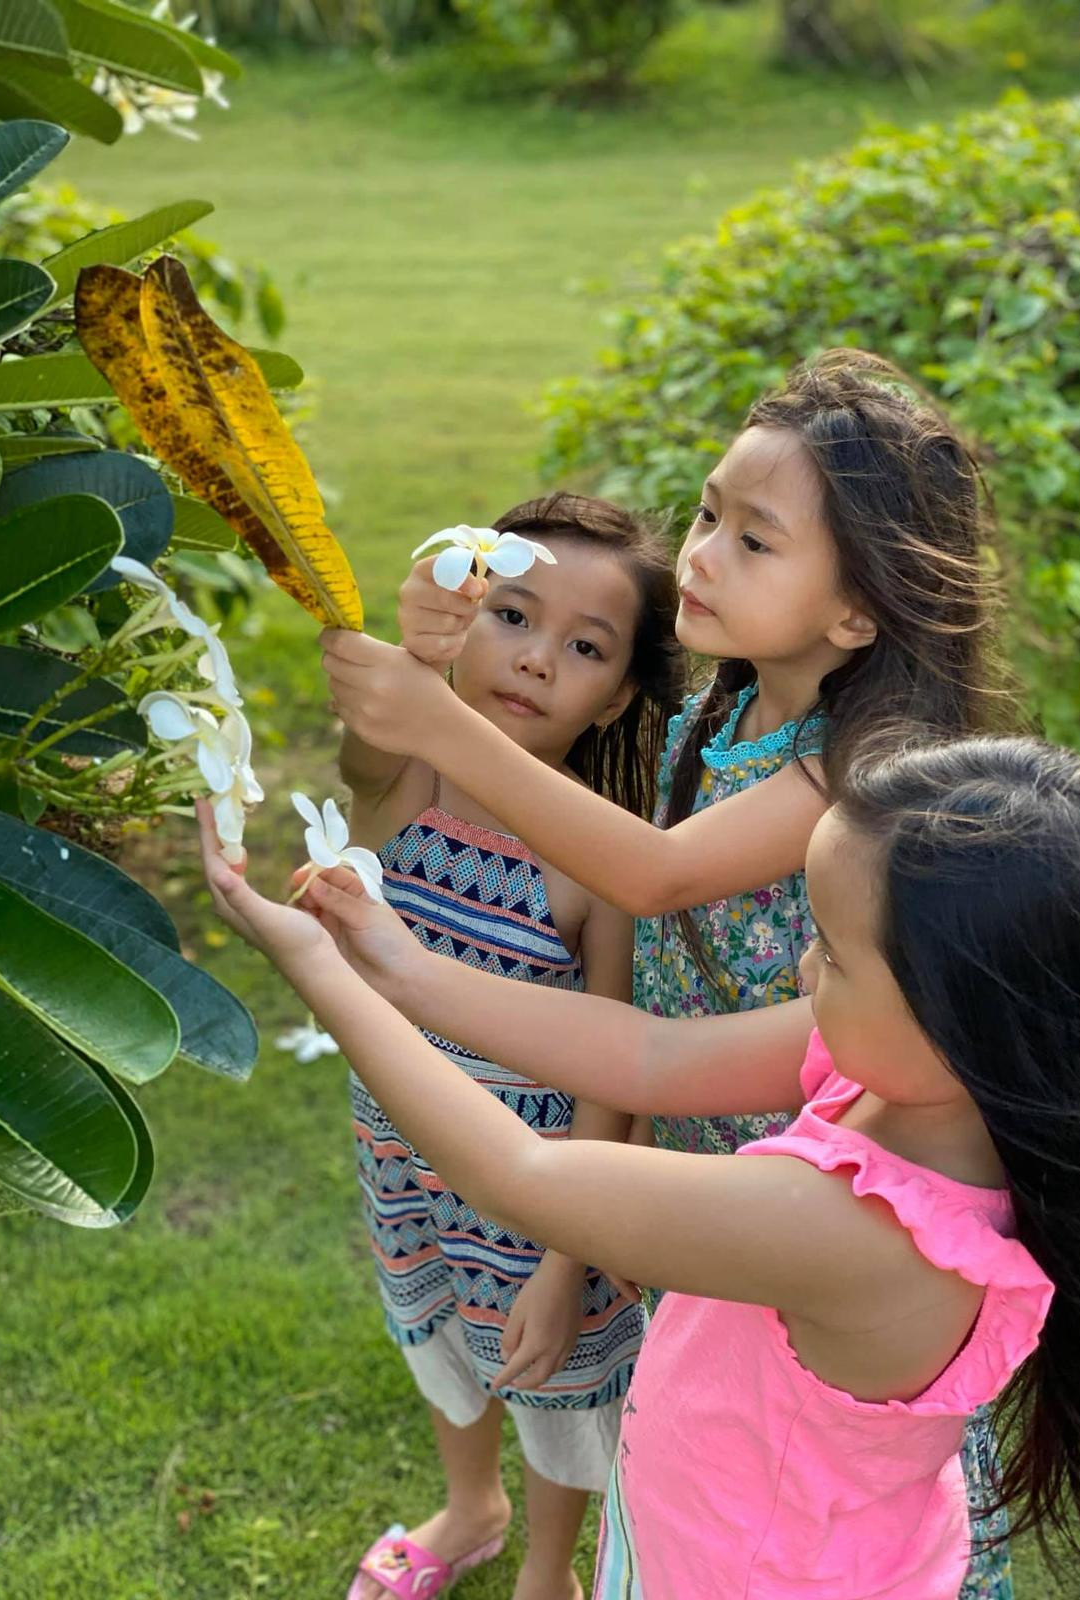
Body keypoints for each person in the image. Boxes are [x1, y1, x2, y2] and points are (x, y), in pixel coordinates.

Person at [324, 352, 1014, 1590]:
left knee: (803, 1464)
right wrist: (435, 663)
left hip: (818, 1173)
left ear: (856, 611)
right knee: (699, 1417)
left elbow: (653, 877)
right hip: (710, 1118)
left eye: (755, 541)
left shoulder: (863, 761)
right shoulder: (725, 707)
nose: (700, 554)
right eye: (707, 515)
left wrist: (439, 722)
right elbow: (639, 986)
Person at [200, 730, 1080, 1597]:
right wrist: (398, 961)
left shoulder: (855, 1231)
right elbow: (648, 1057)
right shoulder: (924, 1078)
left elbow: (523, 1178)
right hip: (715, 1532)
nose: (802, 969)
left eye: (829, 949)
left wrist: (321, 971)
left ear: (960, 1014)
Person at [337, 493, 684, 1600]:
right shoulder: (413, 781)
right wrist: (413, 652)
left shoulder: (596, 859)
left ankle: (547, 1568)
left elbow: (612, 1070)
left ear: (620, 691)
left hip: (534, 1193)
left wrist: (564, 1257)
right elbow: (367, 747)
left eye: (583, 646)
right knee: (433, 1324)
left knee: (549, 1373)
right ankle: (469, 1504)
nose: (535, 660)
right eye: (514, 617)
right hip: (398, 1148)